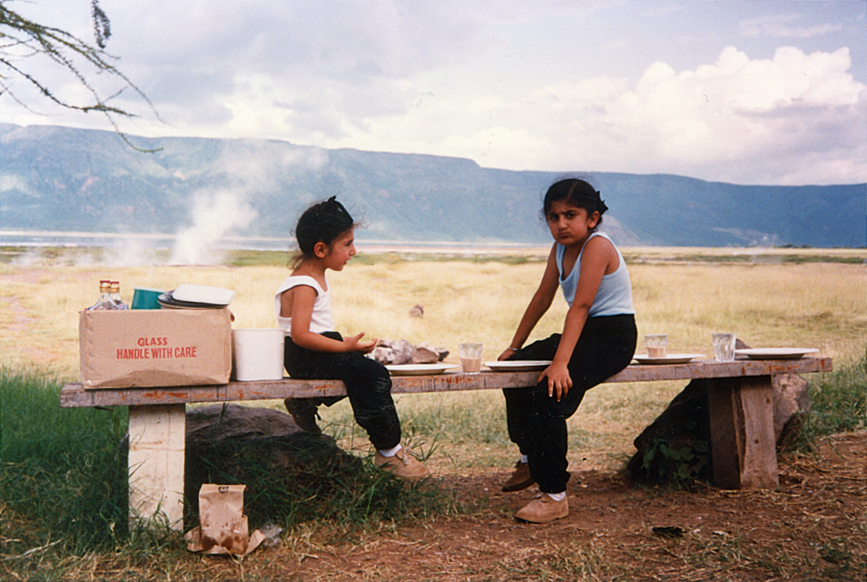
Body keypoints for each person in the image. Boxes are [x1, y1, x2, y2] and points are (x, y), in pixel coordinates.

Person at [497, 178, 637, 523]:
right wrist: (514, 346)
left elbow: (582, 305)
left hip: (611, 337)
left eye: (569, 215)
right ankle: (530, 457)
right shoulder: (559, 250)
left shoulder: (598, 246)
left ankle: (554, 495)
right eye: (553, 217)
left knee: (549, 393)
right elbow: (543, 298)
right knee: (513, 371)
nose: (560, 224)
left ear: (592, 218)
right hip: (582, 333)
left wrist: (560, 363)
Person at [276, 196, 430, 481]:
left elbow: (311, 331)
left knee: (358, 367)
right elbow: (299, 335)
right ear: (321, 249)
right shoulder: (305, 284)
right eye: (347, 244)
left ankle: (304, 403)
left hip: (307, 353)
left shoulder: (311, 277)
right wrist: (343, 346)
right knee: (371, 373)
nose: (354, 251)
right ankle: (389, 452)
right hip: (303, 355)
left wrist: (343, 345)